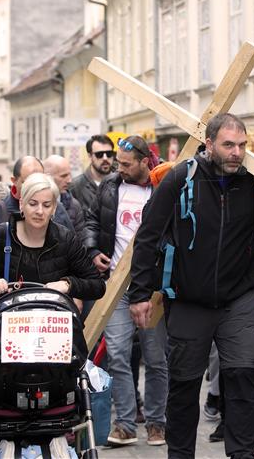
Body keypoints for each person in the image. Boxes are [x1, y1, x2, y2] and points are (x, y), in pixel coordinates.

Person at [127, 113, 254, 459]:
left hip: (238, 299)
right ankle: (180, 455)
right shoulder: (181, 178)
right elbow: (148, 236)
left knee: (243, 378)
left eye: (242, 145)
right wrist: (139, 295)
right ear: (209, 144)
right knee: (183, 387)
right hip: (189, 301)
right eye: (228, 145)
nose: (236, 153)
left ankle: (242, 455)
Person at [84, 135, 167, 447]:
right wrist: (93, 250)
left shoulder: (161, 187)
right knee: (118, 355)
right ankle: (125, 424)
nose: (119, 168)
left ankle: (157, 423)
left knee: (156, 357)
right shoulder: (110, 186)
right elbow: (92, 222)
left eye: (126, 164)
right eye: (118, 162)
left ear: (146, 162)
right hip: (115, 285)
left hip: (152, 286)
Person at [0, 172, 105, 302]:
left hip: (52, 317)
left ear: (54, 208)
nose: (40, 211)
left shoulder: (66, 239)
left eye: (47, 205)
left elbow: (97, 285)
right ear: (21, 204)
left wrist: (68, 285)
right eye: (33, 204)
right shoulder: (2, 234)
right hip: (10, 316)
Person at [0, 156, 73, 264]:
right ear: (14, 181)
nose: (33, 187)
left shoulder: (57, 208)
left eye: (37, 181)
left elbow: (73, 246)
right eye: (27, 182)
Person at [45, 154, 88, 243]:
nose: (69, 180)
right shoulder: (31, 203)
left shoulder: (74, 205)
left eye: (69, 175)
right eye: (63, 176)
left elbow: (79, 243)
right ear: (47, 176)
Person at [70, 134, 116, 212]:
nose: (105, 158)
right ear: (90, 156)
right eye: (99, 154)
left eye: (109, 154)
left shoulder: (121, 181)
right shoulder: (75, 187)